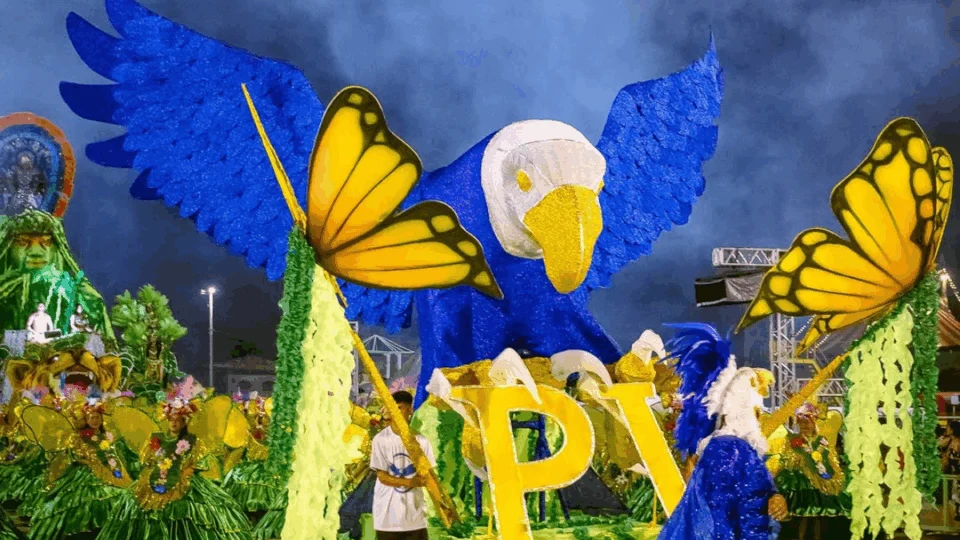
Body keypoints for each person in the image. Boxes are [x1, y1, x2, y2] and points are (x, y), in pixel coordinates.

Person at [659, 323, 787, 540]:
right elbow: (734, 503)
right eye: (756, 410)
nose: (759, 417)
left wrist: (775, 498)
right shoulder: (731, 446)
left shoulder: (731, 446)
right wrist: (771, 501)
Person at [369, 391, 436, 540]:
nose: (396, 412)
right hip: (388, 519)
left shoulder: (422, 441)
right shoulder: (380, 440)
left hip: (415, 519)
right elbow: (382, 477)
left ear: (410, 410)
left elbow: (428, 475)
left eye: (400, 408)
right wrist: (409, 482)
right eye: (393, 408)